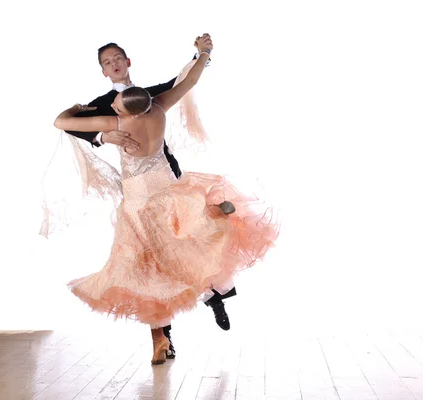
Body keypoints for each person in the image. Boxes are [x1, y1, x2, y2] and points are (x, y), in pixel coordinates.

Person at [53, 34, 280, 365]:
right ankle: (167, 335)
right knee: (169, 249)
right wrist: (102, 136)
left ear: (128, 61)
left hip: (153, 186)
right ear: (103, 71)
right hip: (153, 187)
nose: (114, 63)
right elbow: (184, 84)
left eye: (118, 57)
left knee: (166, 251)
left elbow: (180, 80)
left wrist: (201, 54)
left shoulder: (142, 100)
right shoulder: (130, 104)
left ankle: (211, 291)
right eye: (107, 61)